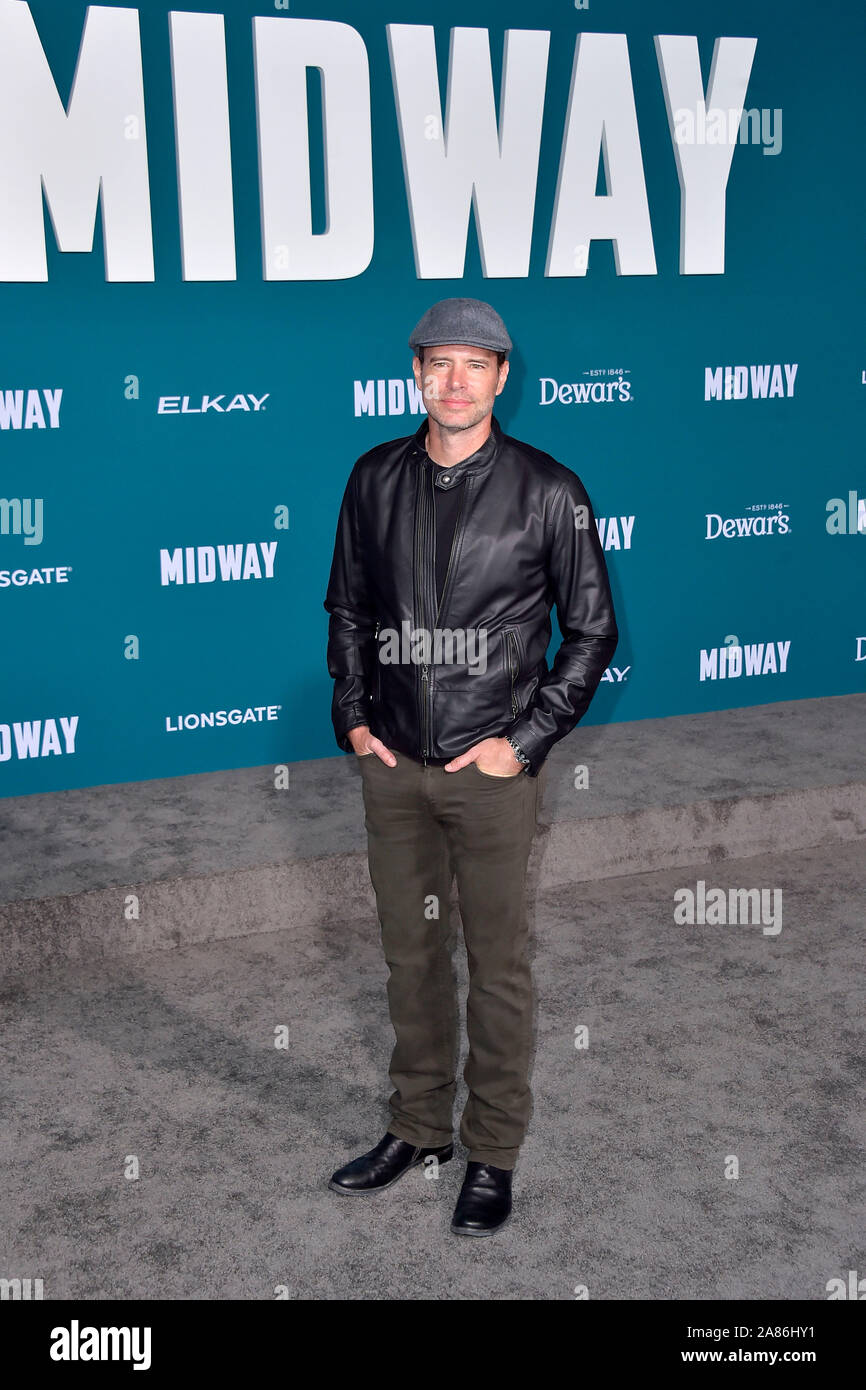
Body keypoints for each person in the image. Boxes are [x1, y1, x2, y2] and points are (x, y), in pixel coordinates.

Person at [323, 297, 617, 1235]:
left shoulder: (548, 489)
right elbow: (347, 611)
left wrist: (523, 742)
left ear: (501, 377)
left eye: (474, 365)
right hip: (393, 766)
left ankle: (490, 1151)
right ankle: (418, 1127)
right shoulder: (372, 476)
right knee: (409, 957)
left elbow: (593, 635)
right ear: (416, 373)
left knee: (496, 967)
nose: (454, 382)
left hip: (490, 773)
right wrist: (357, 720)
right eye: (437, 364)